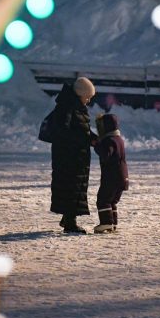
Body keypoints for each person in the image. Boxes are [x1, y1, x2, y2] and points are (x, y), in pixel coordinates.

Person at [51, 77, 98, 234]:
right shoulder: (66, 108)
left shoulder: (76, 107)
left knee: (74, 187)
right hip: (68, 157)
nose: (89, 100)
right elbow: (63, 132)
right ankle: (70, 223)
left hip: (77, 155)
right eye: (88, 96)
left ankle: (68, 217)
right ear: (80, 94)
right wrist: (84, 139)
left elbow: (80, 129)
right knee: (70, 187)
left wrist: (92, 138)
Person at [93, 113, 129, 234]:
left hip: (112, 177)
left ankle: (106, 222)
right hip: (122, 177)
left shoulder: (109, 141)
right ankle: (113, 223)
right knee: (112, 201)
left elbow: (106, 154)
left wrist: (96, 145)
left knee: (103, 199)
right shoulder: (119, 139)